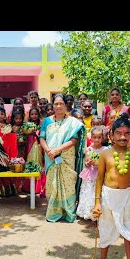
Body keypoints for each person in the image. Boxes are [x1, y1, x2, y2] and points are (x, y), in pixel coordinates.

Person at [91, 114, 130, 259]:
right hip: (108, 196)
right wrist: (97, 202)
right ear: (111, 135)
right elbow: (99, 179)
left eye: (126, 133)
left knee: (129, 230)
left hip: (128, 196)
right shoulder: (105, 154)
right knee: (105, 228)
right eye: (118, 133)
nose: (122, 137)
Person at [39, 93, 86, 223]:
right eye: (56, 104)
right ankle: (54, 212)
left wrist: (57, 150)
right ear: (52, 105)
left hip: (67, 157)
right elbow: (42, 138)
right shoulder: (47, 121)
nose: (58, 106)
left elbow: (74, 140)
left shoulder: (72, 122)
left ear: (66, 106)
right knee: (53, 185)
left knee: (68, 184)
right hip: (50, 157)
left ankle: (68, 213)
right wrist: (49, 150)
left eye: (61, 104)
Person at [76, 126, 107, 222]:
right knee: (89, 191)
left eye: (99, 137)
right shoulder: (88, 149)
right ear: (91, 138)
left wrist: (98, 164)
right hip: (90, 174)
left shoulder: (105, 150)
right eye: (94, 137)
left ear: (103, 138)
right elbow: (86, 161)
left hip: (100, 173)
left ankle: (98, 211)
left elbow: (106, 163)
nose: (96, 139)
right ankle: (87, 211)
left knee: (98, 192)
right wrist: (88, 163)